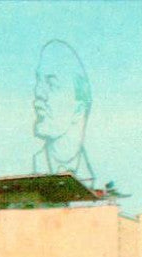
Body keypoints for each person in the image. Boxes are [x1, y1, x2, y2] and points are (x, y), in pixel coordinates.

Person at [33, 40, 94, 181]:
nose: (38, 93)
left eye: (51, 84)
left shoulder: (88, 176)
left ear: (78, 109)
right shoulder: (36, 163)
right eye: (38, 81)